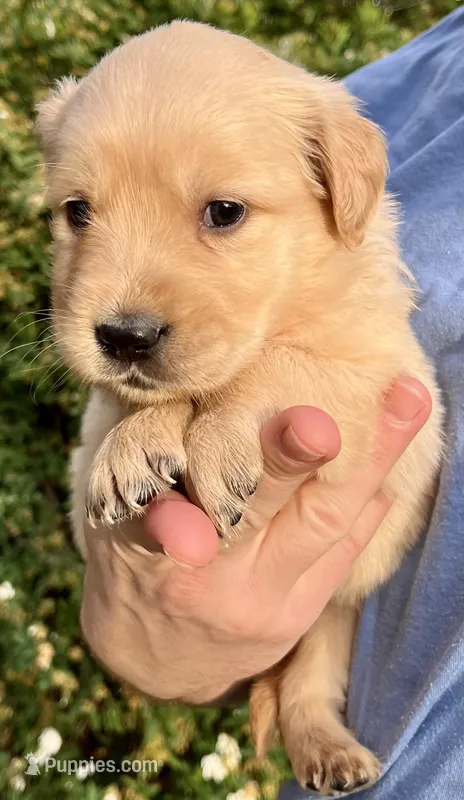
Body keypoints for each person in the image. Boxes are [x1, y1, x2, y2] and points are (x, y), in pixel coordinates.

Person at [81, 8, 464, 798]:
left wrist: (243, 407)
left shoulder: (321, 147)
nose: (123, 299)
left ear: (344, 183)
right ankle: (306, 709)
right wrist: (147, 634)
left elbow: (376, 399)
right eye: (80, 212)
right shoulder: (409, 77)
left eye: (221, 214)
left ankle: (307, 705)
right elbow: (169, 597)